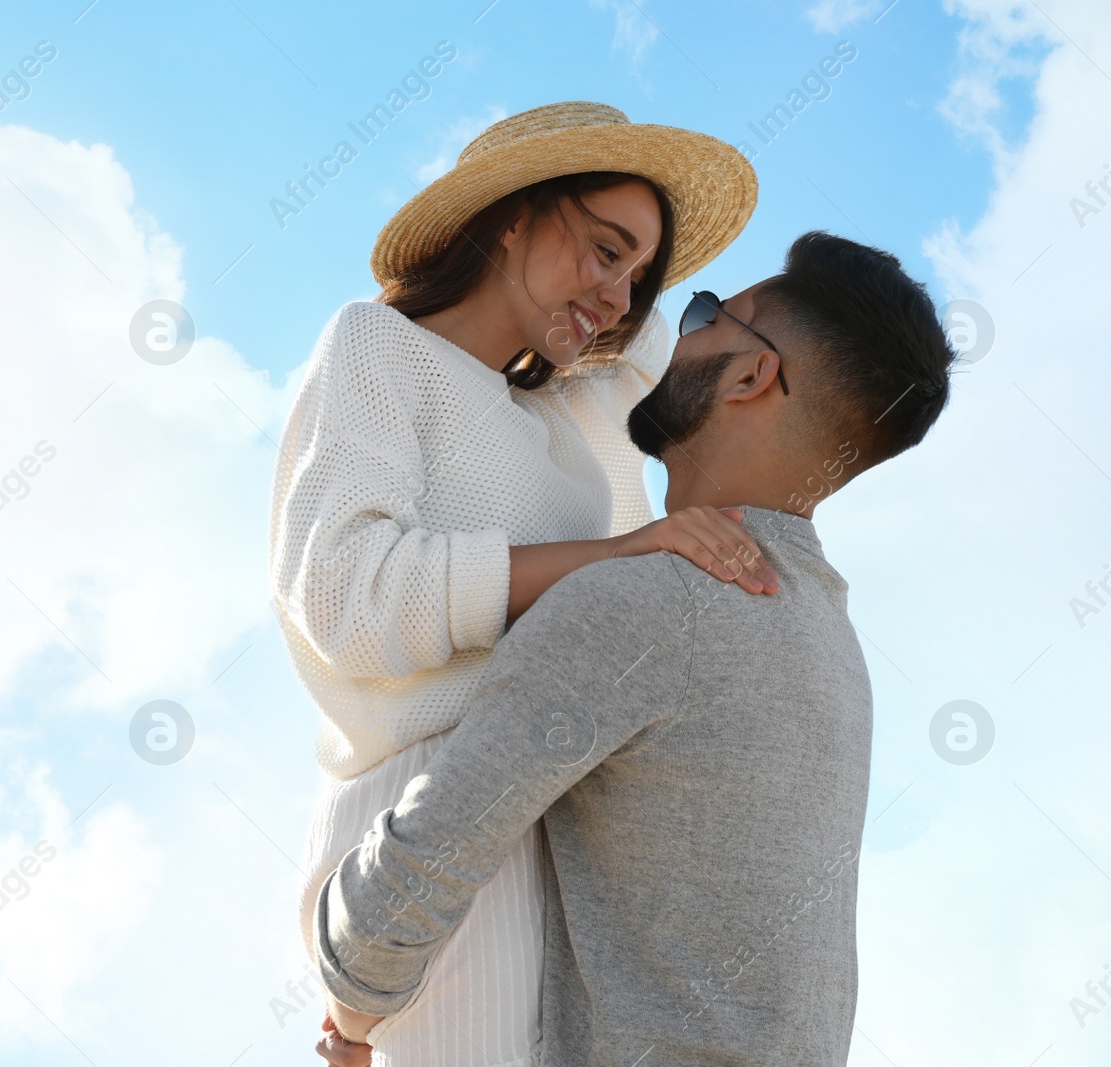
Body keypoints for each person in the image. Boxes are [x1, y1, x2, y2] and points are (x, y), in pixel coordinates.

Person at [313, 231, 958, 1066]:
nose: (675, 336)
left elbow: (426, 859)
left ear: (751, 374)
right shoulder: (835, 646)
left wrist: (349, 1021)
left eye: (707, 314)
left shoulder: (647, 601)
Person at [268, 101, 773, 1066]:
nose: (621, 295)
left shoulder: (571, 403)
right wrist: (617, 557)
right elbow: (343, 593)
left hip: (564, 810)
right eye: (602, 247)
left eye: (640, 274)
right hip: (429, 801)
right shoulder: (379, 348)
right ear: (511, 214)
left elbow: (694, 349)